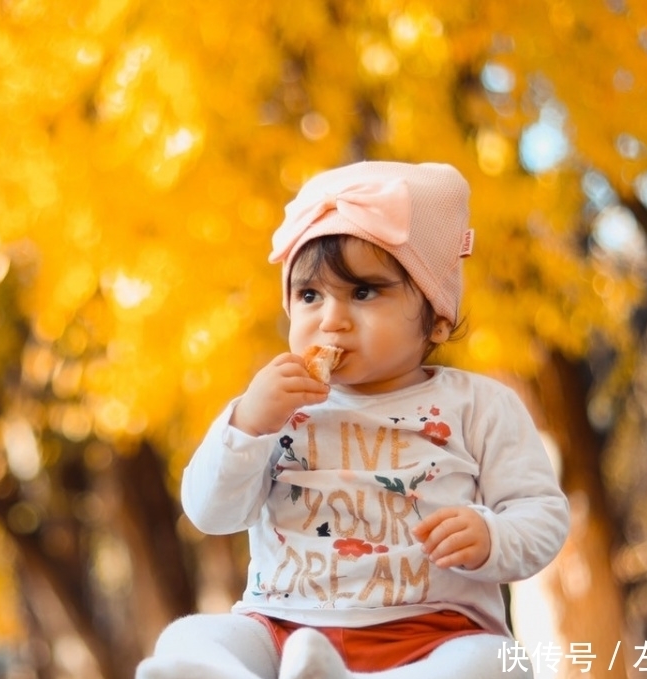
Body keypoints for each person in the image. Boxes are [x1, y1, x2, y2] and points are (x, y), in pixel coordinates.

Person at [136, 161, 570, 679]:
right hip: (283, 629)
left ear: (435, 317)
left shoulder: (478, 406)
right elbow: (210, 513)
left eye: (363, 293)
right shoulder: (274, 409)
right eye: (310, 296)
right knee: (188, 636)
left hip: (432, 632)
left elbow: (542, 511)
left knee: (497, 664)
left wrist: (491, 536)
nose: (331, 319)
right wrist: (247, 426)